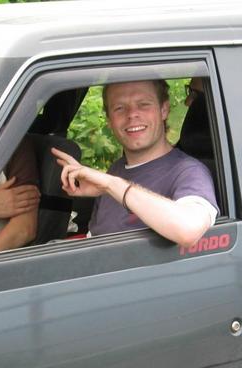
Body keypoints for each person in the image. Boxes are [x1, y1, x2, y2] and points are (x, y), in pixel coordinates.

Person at [52, 80, 218, 248]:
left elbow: (189, 230)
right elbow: (96, 237)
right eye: (119, 108)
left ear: (164, 110)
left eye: (144, 104)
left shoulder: (189, 172)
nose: (132, 114)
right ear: (109, 121)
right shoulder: (115, 170)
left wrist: (112, 184)